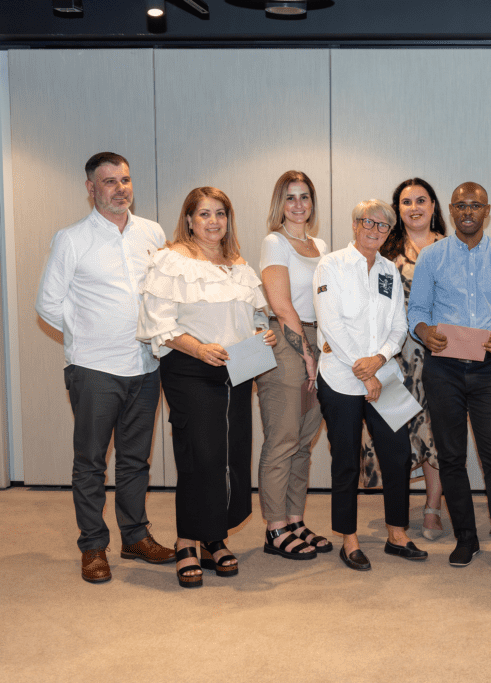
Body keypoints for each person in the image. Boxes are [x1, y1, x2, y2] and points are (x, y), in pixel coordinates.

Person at [36, 152, 175, 584]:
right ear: (91, 187)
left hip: (145, 366)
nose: (120, 189)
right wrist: (85, 337)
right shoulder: (72, 239)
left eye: (126, 180)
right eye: (110, 181)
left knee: (135, 460)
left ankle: (135, 536)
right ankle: (94, 545)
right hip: (94, 369)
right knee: (91, 462)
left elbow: (165, 292)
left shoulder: (152, 232)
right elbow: (47, 303)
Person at [137, 186, 276, 588]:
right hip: (190, 368)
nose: (213, 221)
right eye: (204, 214)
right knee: (199, 454)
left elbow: (255, 316)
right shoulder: (171, 261)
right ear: (189, 220)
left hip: (236, 367)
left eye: (220, 213)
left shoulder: (238, 264)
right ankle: (186, 542)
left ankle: (215, 538)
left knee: (230, 455)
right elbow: (157, 323)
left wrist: (260, 334)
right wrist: (198, 349)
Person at [407, 182, 491, 583]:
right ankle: (467, 538)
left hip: (487, 369)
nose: (467, 211)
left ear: (487, 211)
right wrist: (425, 332)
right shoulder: (431, 256)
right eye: (461, 205)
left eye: (475, 205)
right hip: (442, 368)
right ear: (451, 208)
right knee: (451, 457)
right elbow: (417, 311)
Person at [314, 199, 428, 571]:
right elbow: (330, 324)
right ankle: (349, 540)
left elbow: (399, 325)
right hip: (340, 375)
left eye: (383, 226)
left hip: (384, 373)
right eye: (368, 222)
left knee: (397, 456)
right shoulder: (330, 264)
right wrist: (364, 370)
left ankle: (397, 534)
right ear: (354, 223)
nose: (374, 230)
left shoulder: (388, 271)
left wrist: (378, 361)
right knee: (346, 461)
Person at [365, 178, 448, 541]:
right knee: (399, 432)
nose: (414, 208)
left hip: (442, 354)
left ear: (433, 206)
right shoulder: (384, 250)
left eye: (421, 200)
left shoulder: (451, 248)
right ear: (397, 210)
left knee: (438, 433)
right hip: (396, 357)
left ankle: (432, 508)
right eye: (405, 202)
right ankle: (396, 515)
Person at [254, 171, 330, 560]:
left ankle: (295, 519)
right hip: (288, 345)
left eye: (304, 197)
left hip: (320, 342)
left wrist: (325, 351)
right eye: (290, 198)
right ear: (279, 205)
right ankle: (275, 527)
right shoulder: (274, 242)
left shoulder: (320, 244)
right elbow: (282, 306)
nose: (298, 205)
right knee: (282, 440)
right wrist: (305, 354)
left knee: (303, 441)